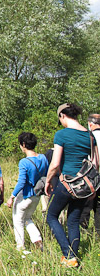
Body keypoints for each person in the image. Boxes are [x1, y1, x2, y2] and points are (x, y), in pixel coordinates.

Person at [45, 103, 96, 268]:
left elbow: (54, 163)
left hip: (66, 183)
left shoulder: (62, 134)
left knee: (51, 216)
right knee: (73, 220)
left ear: (62, 116)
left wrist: (47, 181)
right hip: (84, 186)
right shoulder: (90, 136)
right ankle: (72, 260)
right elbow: (95, 163)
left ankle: (68, 254)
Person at [6, 132, 48, 252]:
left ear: (23, 144)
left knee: (18, 220)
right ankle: (37, 240)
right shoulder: (43, 158)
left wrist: (12, 196)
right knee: (27, 218)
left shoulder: (24, 162)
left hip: (26, 195)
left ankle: (20, 247)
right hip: (37, 195)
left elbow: (22, 181)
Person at [80, 114, 100, 236]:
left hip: (91, 175)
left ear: (90, 124)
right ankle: (98, 234)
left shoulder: (88, 137)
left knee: (85, 207)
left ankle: (84, 232)